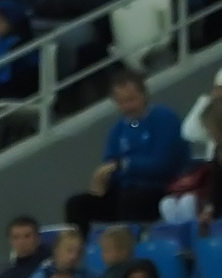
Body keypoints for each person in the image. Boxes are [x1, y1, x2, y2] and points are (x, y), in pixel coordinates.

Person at [65, 68, 186, 229]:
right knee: (77, 204)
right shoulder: (118, 129)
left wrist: (125, 165)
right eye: (122, 102)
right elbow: (109, 163)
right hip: (125, 190)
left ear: (144, 95)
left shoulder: (164, 118)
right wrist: (103, 179)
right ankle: (76, 250)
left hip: (161, 189)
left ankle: (127, 246)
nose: (127, 107)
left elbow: (161, 164)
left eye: (132, 100)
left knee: (129, 200)